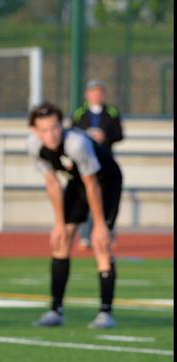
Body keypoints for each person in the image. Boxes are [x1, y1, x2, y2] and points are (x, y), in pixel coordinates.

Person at [28, 102, 122, 329]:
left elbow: (92, 184)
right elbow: (52, 183)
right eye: (44, 130)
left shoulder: (76, 144)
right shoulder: (33, 145)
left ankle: (105, 313)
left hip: (105, 182)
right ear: (34, 131)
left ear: (62, 125)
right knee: (61, 240)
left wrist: (99, 225)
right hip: (76, 183)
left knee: (101, 243)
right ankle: (55, 310)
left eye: (54, 127)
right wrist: (59, 224)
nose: (50, 135)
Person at [71, 80, 125, 249]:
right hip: (85, 161)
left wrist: (105, 136)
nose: (96, 95)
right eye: (93, 92)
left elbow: (119, 134)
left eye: (99, 92)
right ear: (87, 94)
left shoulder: (112, 112)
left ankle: (107, 233)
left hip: (105, 161)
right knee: (87, 195)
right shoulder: (79, 113)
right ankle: (85, 236)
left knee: (107, 198)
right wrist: (87, 135)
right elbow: (72, 133)